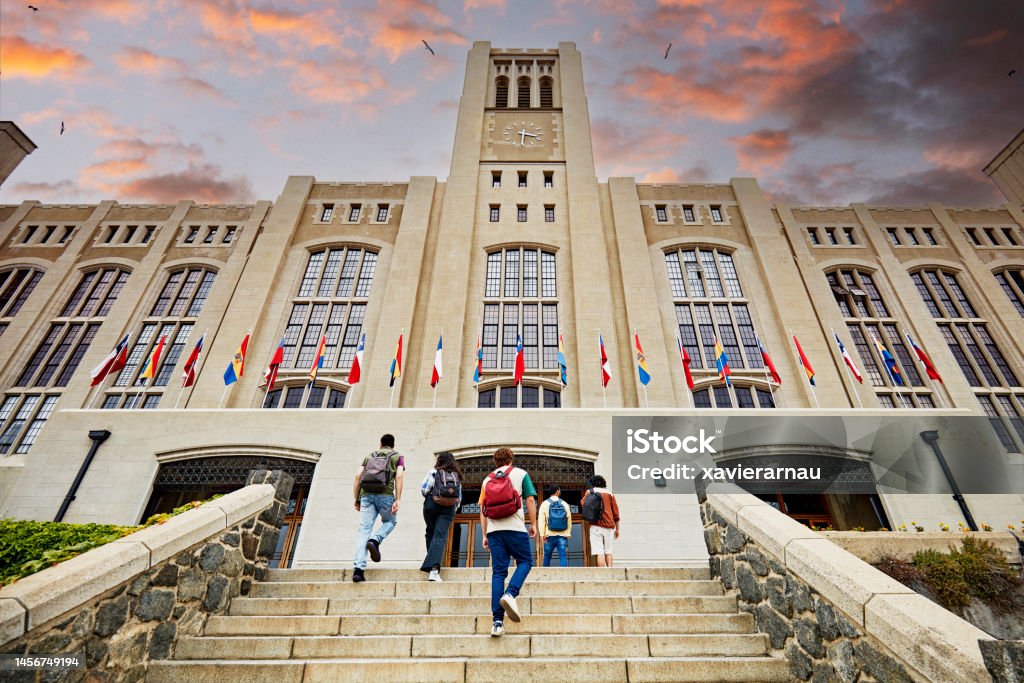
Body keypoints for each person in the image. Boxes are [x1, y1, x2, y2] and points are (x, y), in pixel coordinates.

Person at [479, 447, 537, 637]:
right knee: (526, 562)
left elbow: (482, 510)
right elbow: (529, 500)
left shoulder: (487, 480)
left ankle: (497, 623)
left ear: (495, 461)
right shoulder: (521, 474)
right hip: (515, 528)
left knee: (498, 573)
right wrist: (534, 523)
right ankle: (511, 593)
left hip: (495, 531)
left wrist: (485, 534)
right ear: (511, 459)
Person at [351, 433, 404, 583]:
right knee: (390, 522)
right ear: (393, 445)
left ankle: (358, 571)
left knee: (363, 531)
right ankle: (375, 540)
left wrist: (357, 498)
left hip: (366, 495)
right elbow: (399, 476)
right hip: (386, 495)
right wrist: (398, 498)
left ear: (380, 444)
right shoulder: (398, 456)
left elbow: (357, 476)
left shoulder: (369, 456)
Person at [419, 451, 463, 581]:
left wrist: (432, 498)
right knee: (440, 535)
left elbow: (424, 489)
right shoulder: (457, 475)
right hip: (449, 507)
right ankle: (433, 571)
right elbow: (459, 497)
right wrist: (453, 507)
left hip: (432, 504)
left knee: (430, 532)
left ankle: (432, 567)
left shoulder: (434, 471)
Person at [583, 475, 620, 567]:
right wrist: (618, 529)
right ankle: (610, 573)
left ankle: (602, 575)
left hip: (595, 525)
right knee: (608, 551)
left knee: (599, 552)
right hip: (609, 526)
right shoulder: (610, 494)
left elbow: (583, 503)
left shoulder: (589, 492)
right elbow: (616, 513)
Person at [537, 483, 571, 567]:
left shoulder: (544, 504)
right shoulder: (565, 504)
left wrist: (542, 534)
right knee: (563, 556)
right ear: (557, 491)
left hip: (549, 535)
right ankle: (564, 576)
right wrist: (568, 533)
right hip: (562, 535)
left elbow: (542, 520)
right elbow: (569, 519)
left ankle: (545, 576)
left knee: (547, 557)